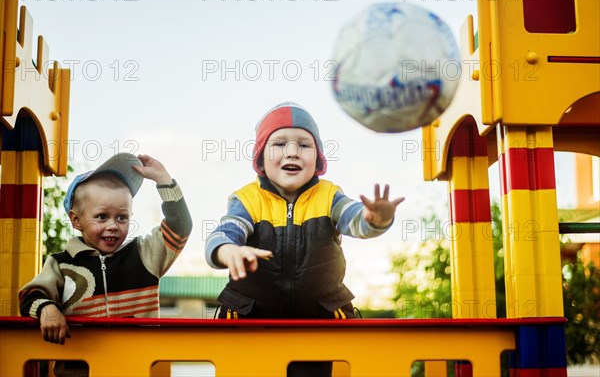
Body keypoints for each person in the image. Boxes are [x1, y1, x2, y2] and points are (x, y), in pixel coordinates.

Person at [205, 102, 404, 377]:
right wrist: (228, 251)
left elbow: (355, 219)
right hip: (251, 322)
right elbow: (226, 231)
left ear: (319, 159)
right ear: (260, 159)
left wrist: (375, 218)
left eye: (304, 145)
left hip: (317, 323)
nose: (292, 152)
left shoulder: (329, 196)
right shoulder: (247, 199)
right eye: (279, 144)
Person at [19, 153, 192, 350]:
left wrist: (164, 180)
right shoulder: (61, 264)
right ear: (76, 220)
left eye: (122, 218)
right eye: (102, 217)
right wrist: (48, 309)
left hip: (138, 366)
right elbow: (29, 294)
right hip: (82, 367)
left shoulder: (145, 254)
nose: (113, 226)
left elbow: (181, 227)